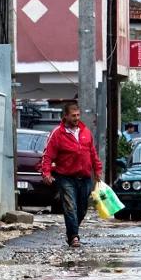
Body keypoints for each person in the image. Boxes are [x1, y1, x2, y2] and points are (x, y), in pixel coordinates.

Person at [41, 102, 103, 248]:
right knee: (70, 207)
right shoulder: (57, 133)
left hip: (85, 177)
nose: (76, 118)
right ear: (66, 116)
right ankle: (74, 237)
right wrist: (46, 173)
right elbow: (47, 156)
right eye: (73, 115)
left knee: (82, 210)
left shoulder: (86, 132)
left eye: (78, 115)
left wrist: (98, 170)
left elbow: (93, 153)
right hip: (66, 177)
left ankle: (71, 232)